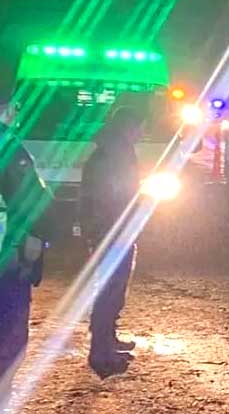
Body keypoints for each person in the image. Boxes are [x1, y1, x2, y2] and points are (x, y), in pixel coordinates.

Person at [80, 107, 146, 378]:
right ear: (129, 127)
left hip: (113, 230)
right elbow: (113, 197)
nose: (143, 132)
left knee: (113, 291)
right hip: (112, 232)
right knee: (108, 292)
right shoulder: (115, 155)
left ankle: (108, 342)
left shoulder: (112, 151)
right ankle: (101, 353)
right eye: (141, 126)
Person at [0, 101, 50, 395]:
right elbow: (30, 199)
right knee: (9, 332)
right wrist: (33, 239)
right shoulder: (8, 145)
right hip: (8, 255)